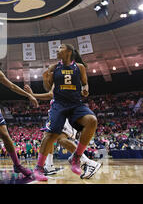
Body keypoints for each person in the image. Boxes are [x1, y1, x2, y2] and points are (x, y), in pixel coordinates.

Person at [32, 44, 98, 181]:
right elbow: (48, 88)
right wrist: (45, 78)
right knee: (50, 135)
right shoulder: (54, 67)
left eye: (60, 48)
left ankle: (77, 158)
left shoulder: (79, 68)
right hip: (59, 105)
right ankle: (39, 168)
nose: (57, 50)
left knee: (92, 120)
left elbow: (85, 83)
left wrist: (86, 89)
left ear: (69, 51)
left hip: (75, 104)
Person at [25, 84, 102, 179]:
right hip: (61, 110)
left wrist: (33, 94)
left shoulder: (60, 75)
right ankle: (49, 166)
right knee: (51, 137)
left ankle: (87, 162)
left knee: (57, 138)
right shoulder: (62, 76)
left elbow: (51, 94)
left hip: (64, 111)